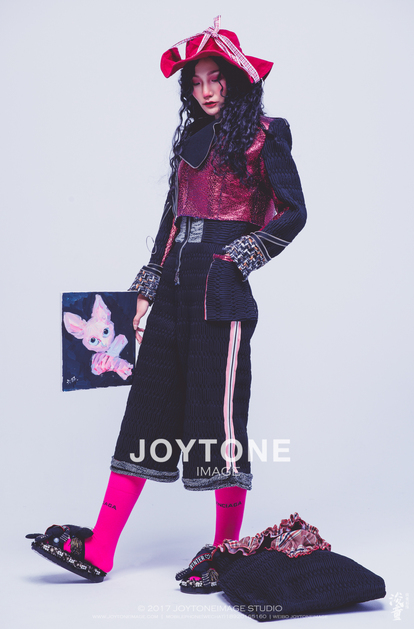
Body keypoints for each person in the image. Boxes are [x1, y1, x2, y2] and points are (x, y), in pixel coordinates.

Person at [26, 16, 307, 591]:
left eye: (215, 79)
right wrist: (147, 286)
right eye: (196, 82)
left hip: (221, 291)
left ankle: (226, 550)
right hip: (175, 283)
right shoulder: (190, 141)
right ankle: (100, 549)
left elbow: (294, 210)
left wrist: (241, 255)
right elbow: (171, 219)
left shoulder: (266, 134)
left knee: (218, 420)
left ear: (236, 80)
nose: (205, 90)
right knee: (146, 409)